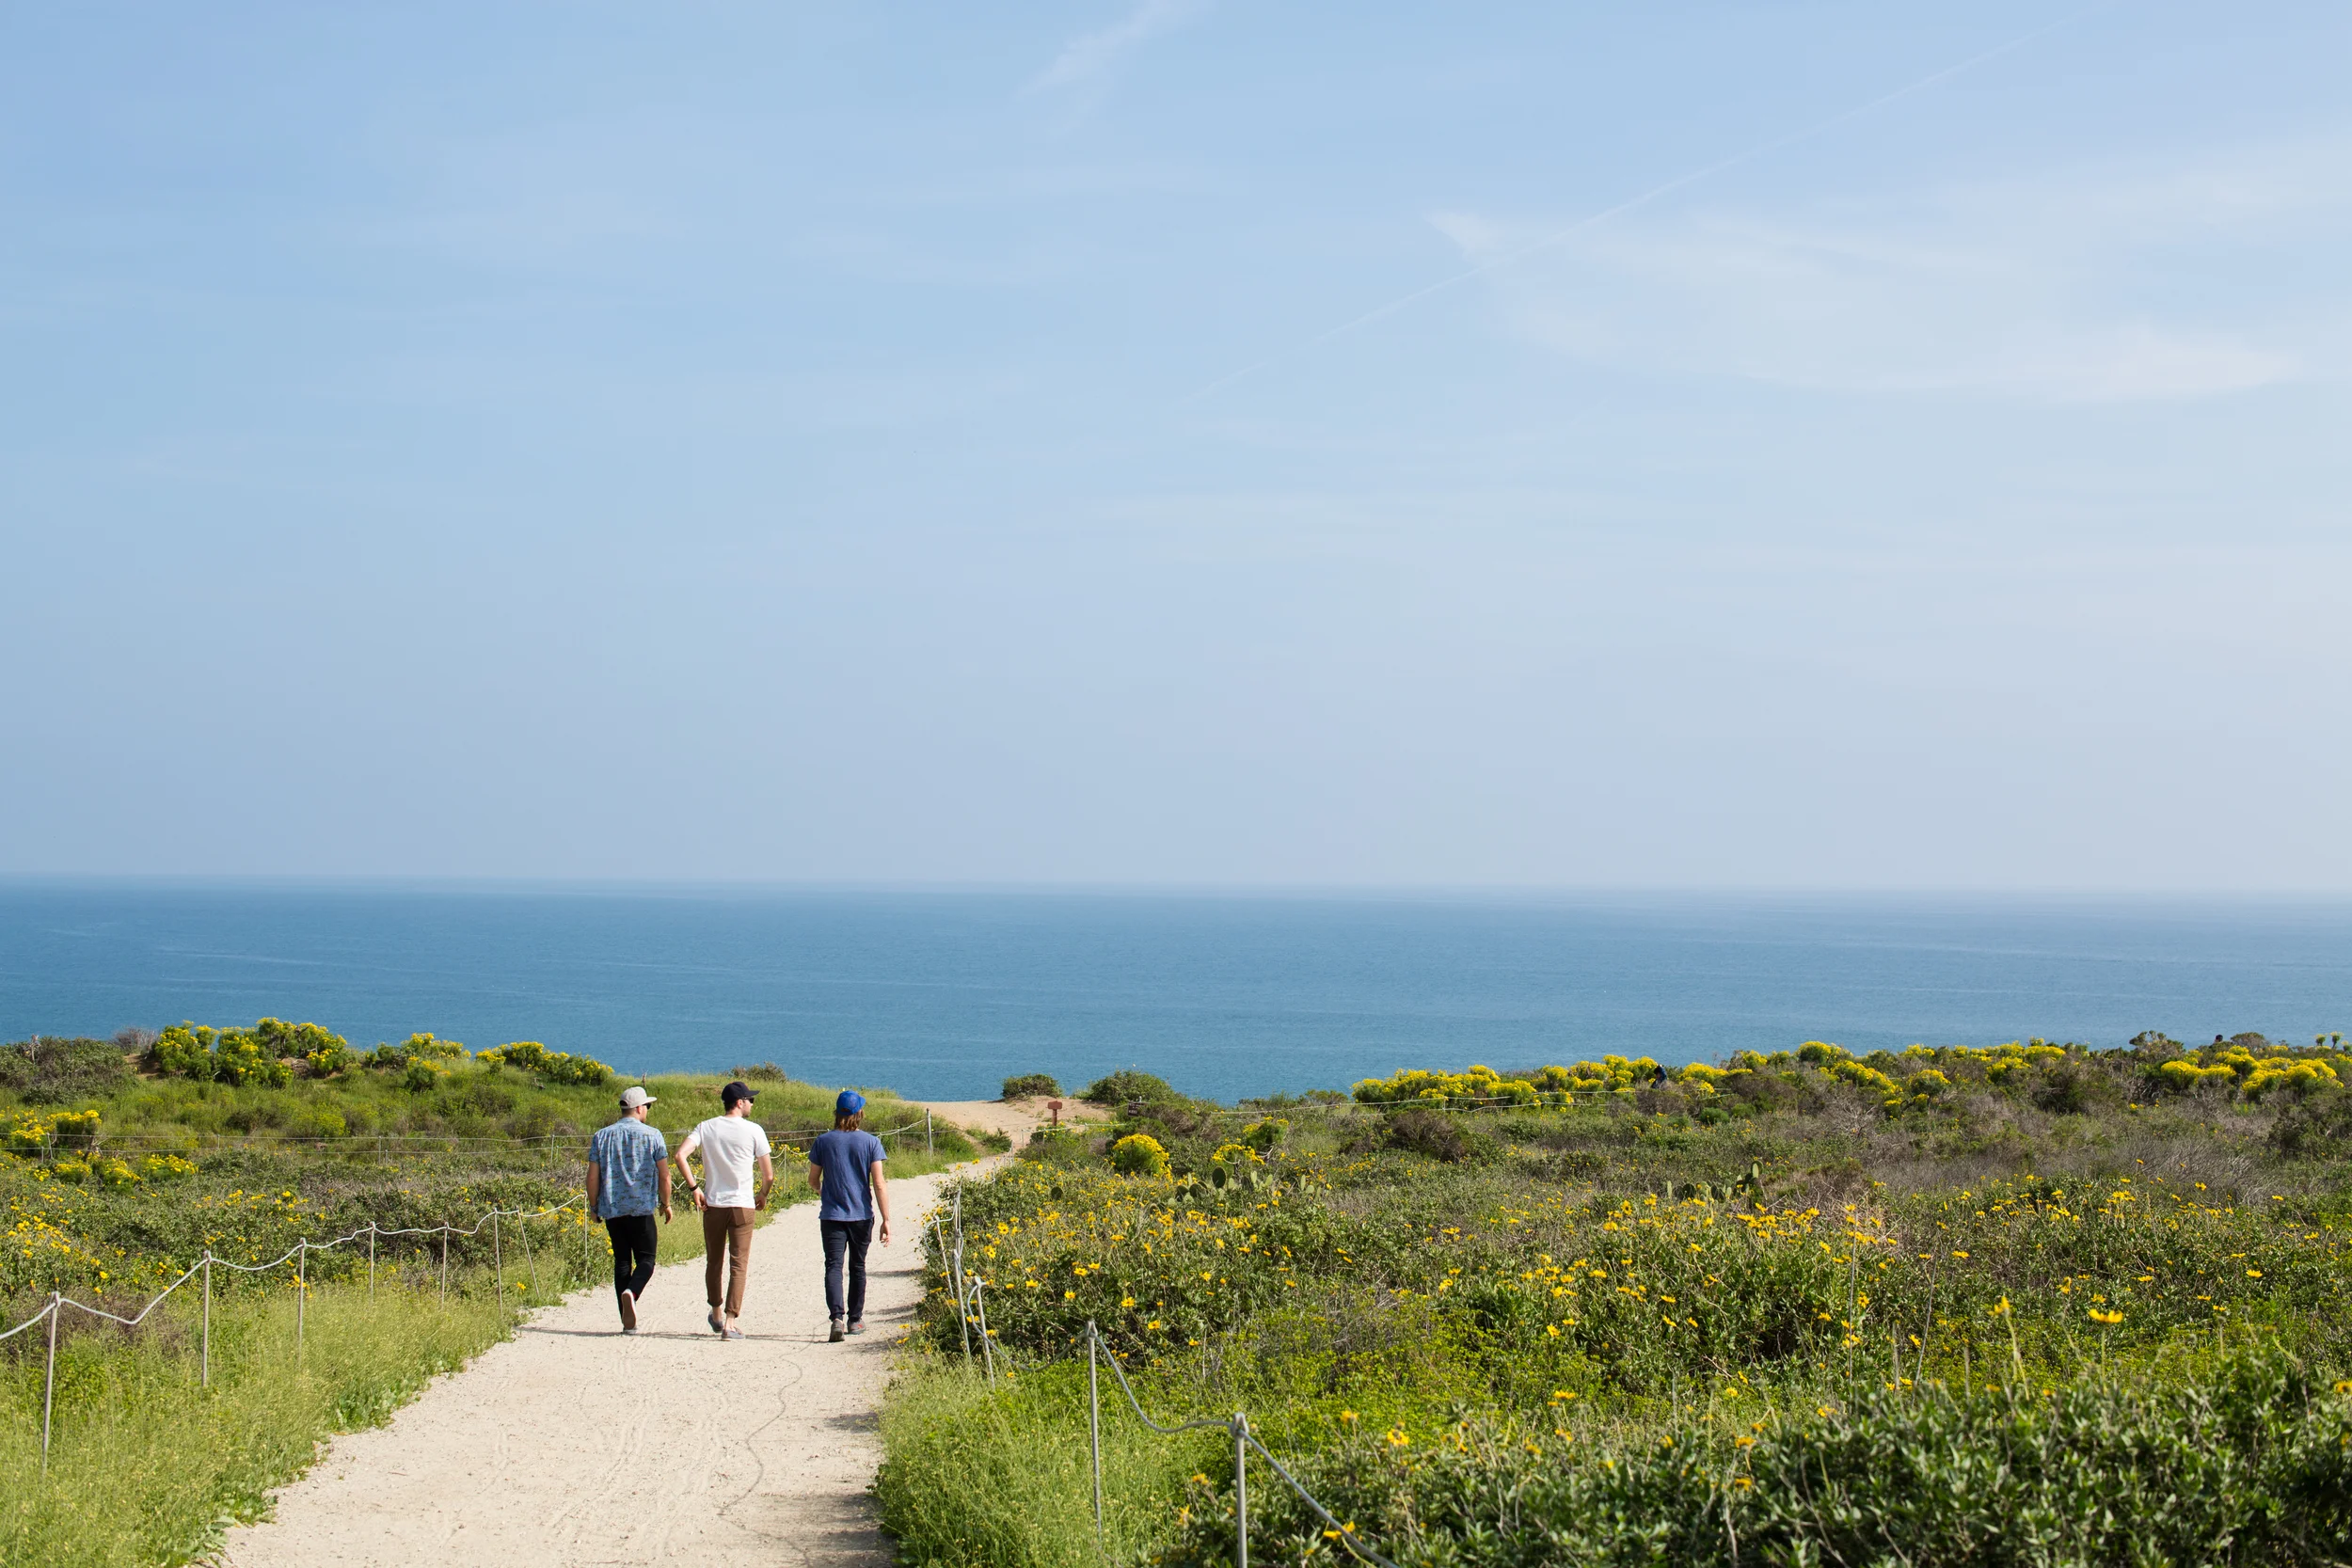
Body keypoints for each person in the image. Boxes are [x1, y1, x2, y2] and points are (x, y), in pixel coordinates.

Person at [673, 1081, 774, 1338]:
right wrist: (762, 1194)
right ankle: (730, 1322)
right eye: (750, 1100)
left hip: (714, 1204)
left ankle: (716, 1313)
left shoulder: (705, 1127)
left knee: (714, 1261)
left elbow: (680, 1155)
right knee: (738, 1264)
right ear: (740, 1102)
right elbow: (769, 1175)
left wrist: (695, 1187)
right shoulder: (754, 1130)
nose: (752, 1104)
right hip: (742, 1205)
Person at [585, 1085, 673, 1333]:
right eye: (648, 1105)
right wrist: (666, 1204)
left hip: (613, 1209)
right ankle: (631, 1293)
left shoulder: (601, 1136)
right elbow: (664, 1175)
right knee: (647, 1259)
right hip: (641, 1208)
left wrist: (594, 1206)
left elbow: (592, 1176)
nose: (648, 1109)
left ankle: (626, 1320)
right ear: (639, 1108)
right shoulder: (653, 1135)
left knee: (622, 1261)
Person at [806, 1089, 892, 1342]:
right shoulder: (871, 1142)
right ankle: (855, 1320)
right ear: (859, 1113)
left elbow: (813, 1179)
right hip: (861, 1216)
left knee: (833, 1266)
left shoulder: (823, 1141)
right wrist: (886, 1219)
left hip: (832, 1215)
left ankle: (836, 1318)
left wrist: (823, 1190)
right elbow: (879, 1184)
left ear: (837, 1113)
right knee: (857, 1266)